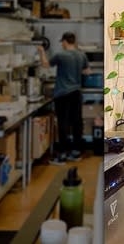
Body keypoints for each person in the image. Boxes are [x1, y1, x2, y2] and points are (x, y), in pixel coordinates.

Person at [37, 32, 90, 164]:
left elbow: (45, 64)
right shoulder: (81, 54)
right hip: (76, 93)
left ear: (65, 42)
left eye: (62, 42)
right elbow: (87, 71)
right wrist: (75, 72)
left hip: (63, 94)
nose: (62, 44)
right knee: (77, 122)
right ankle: (76, 152)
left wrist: (41, 51)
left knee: (63, 123)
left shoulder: (61, 55)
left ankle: (63, 154)